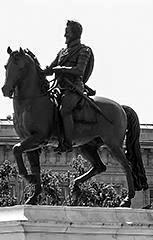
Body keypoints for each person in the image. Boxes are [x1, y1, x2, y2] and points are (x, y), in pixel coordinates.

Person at [44, 20, 95, 153]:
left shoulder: (84, 50)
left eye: (68, 32)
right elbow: (50, 69)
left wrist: (62, 69)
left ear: (75, 33)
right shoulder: (62, 52)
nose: (65, 35)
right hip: (59, 87)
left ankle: (67, 143)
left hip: (74, 88)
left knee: (65, 110)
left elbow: (79, 71)